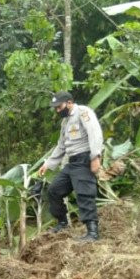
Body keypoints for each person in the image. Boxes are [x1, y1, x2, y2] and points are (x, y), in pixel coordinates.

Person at [37, 91, 103, 242]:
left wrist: (95, 157)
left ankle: (92, 233)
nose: (57, 110)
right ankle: (62, 223)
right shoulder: (65, 122)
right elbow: (61, 146)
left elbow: (95, 133)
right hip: (72, 162)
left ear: (69, 102)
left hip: (84, 158)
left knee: (84, 194)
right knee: (54, 190)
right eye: (55, 108)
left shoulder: (83, 112)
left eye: (59, 107)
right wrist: (47, 164)